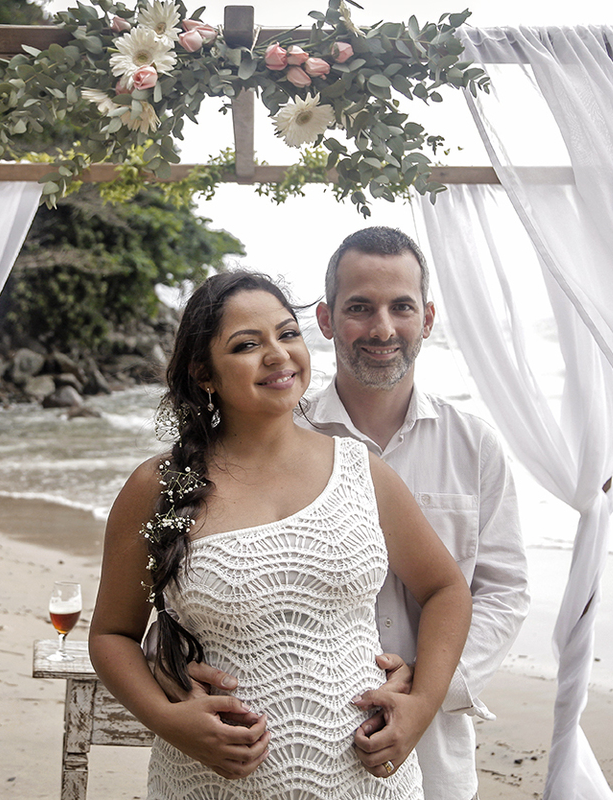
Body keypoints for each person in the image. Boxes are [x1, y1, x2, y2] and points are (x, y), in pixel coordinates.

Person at [87, 270, 473, 799]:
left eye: (287, 334)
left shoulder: (361, 471)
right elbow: (111, 636)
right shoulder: (157, 487)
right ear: (204, 373)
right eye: (247, 344)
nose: (277, 355)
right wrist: (169, 721)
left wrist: (421, 705)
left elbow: (446, 590)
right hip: (208, 786)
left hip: (366, 787)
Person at [180, 228, 530, 800]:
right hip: (273, 756)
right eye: (360, 308)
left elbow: (503, 590)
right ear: (324, 319)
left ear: (429, 317)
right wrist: (170, 667)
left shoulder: (475, 447)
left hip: (431, 743)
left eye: (402, 307)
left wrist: (425, 691)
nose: (383, 328)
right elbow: (195, 580)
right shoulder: (270, 433)